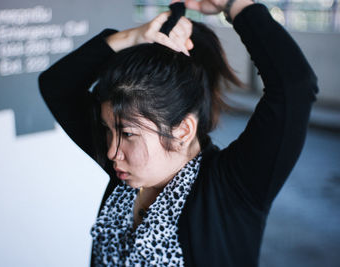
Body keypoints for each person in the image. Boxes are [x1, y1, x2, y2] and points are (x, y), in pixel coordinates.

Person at [38, 0, 318, 266]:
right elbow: (56, 85)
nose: (111, 151)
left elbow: (295, 87)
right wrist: (133, 37)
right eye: (107, 130)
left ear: (183, 130)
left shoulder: (233, 188)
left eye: (128, 133)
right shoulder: (128, 174)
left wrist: (233, 5)